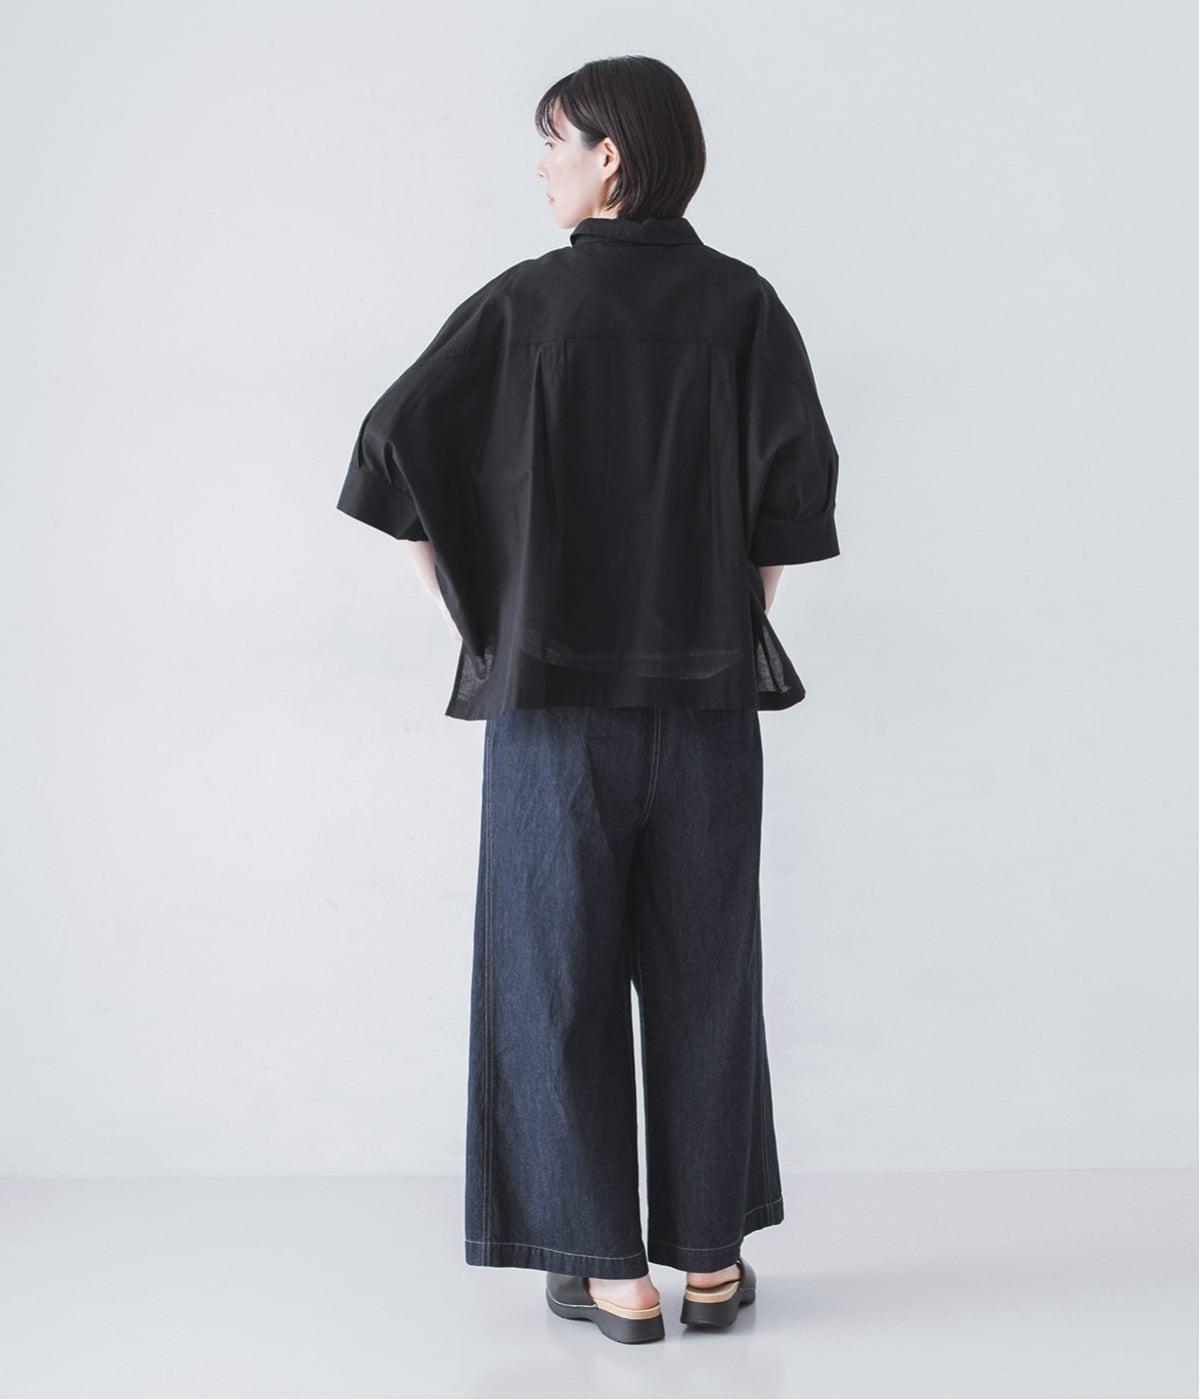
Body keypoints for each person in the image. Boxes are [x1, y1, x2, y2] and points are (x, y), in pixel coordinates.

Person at [336, 55, 841, 1345]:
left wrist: (486, 623)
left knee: (552, 977)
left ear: (609, 156)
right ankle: (711, 1262)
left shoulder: (526, 305)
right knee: (707, 973)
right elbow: (788, 510)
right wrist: (717, 626)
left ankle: (612, 1275)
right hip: (709, 708)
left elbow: (391, 450)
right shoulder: (745, 305)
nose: (543, 164)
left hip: (554, 712)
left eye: (554, 140)